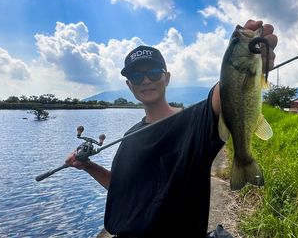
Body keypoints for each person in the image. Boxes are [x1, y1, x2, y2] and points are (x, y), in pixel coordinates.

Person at [65, 20, 277, 237]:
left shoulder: (194, 122)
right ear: (129, 85)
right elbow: (122, 188)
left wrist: (248, 55)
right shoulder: (130, 137)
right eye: (136, 76)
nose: (145, 80)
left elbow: (225, 92)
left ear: (166, 78)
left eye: (154, 73)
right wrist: (89, 166)